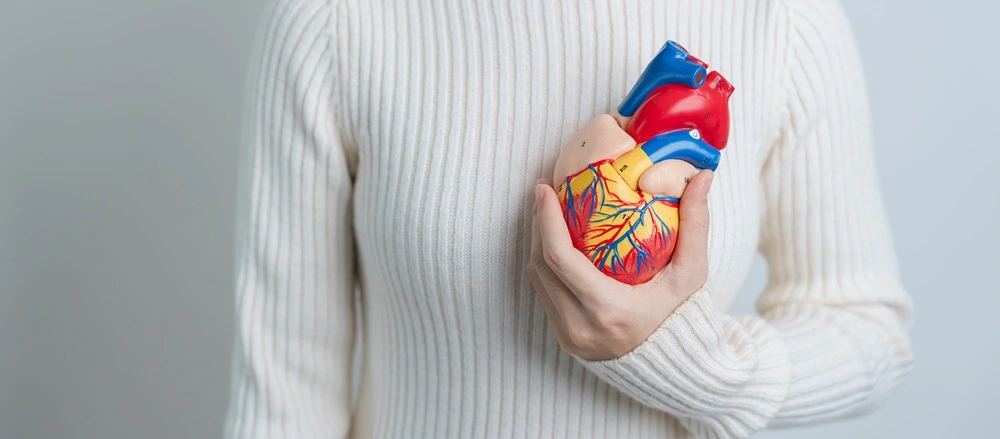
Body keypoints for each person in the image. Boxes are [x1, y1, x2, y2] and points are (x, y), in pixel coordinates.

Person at [222, 0, 914, 437]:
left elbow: (866, 328)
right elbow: (284, 395)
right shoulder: (337, 22)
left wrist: (700, 367)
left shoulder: (782, 19)